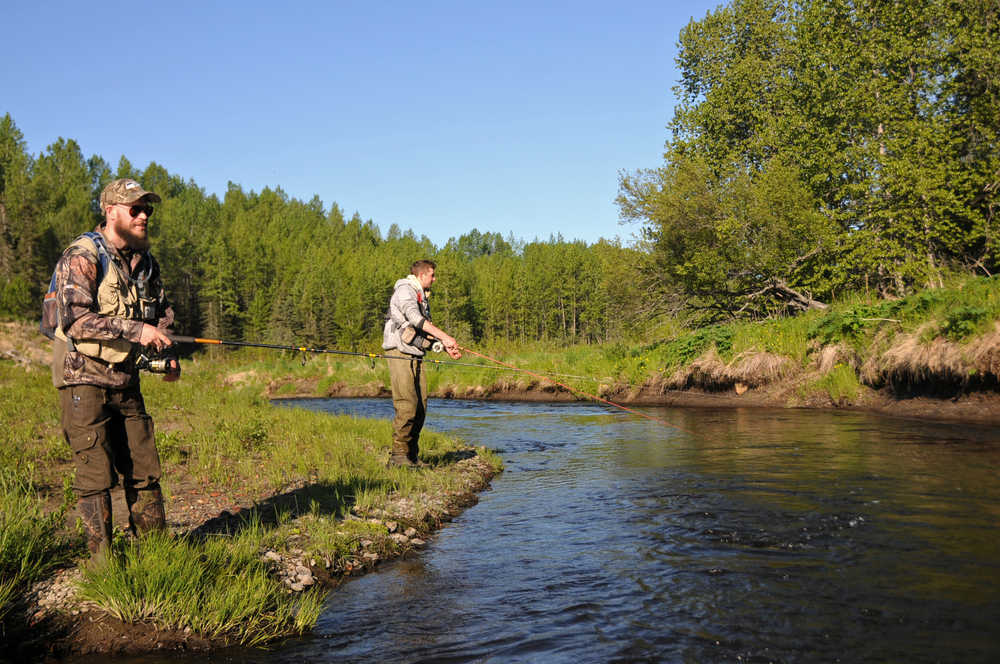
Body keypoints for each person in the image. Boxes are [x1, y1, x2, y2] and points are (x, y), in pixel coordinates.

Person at [51, 178, 180, 561]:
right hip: (82, 376)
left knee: (144, 467)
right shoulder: (83, 255)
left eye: (147, 211)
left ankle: (156, 559)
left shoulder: (146, 262)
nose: (143, 217)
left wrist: (167, 349)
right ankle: (102, 569)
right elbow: (75, 320)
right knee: (95, 476)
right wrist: (137, 330)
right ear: (111, 212)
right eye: (135, 209)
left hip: (125, 375)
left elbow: (162, 313)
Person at [382, 260, 462, 467]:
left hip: (415, 353)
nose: (434, 279)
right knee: (407, 405)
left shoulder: (421, 296)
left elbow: (421, 333)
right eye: (432, 275)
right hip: (399, 352)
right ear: (421, 275)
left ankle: (411, 456)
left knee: (420, 408)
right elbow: (415, 319)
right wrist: (445, 337)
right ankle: (398, 457)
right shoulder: (405, 291)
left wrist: (444, 346)